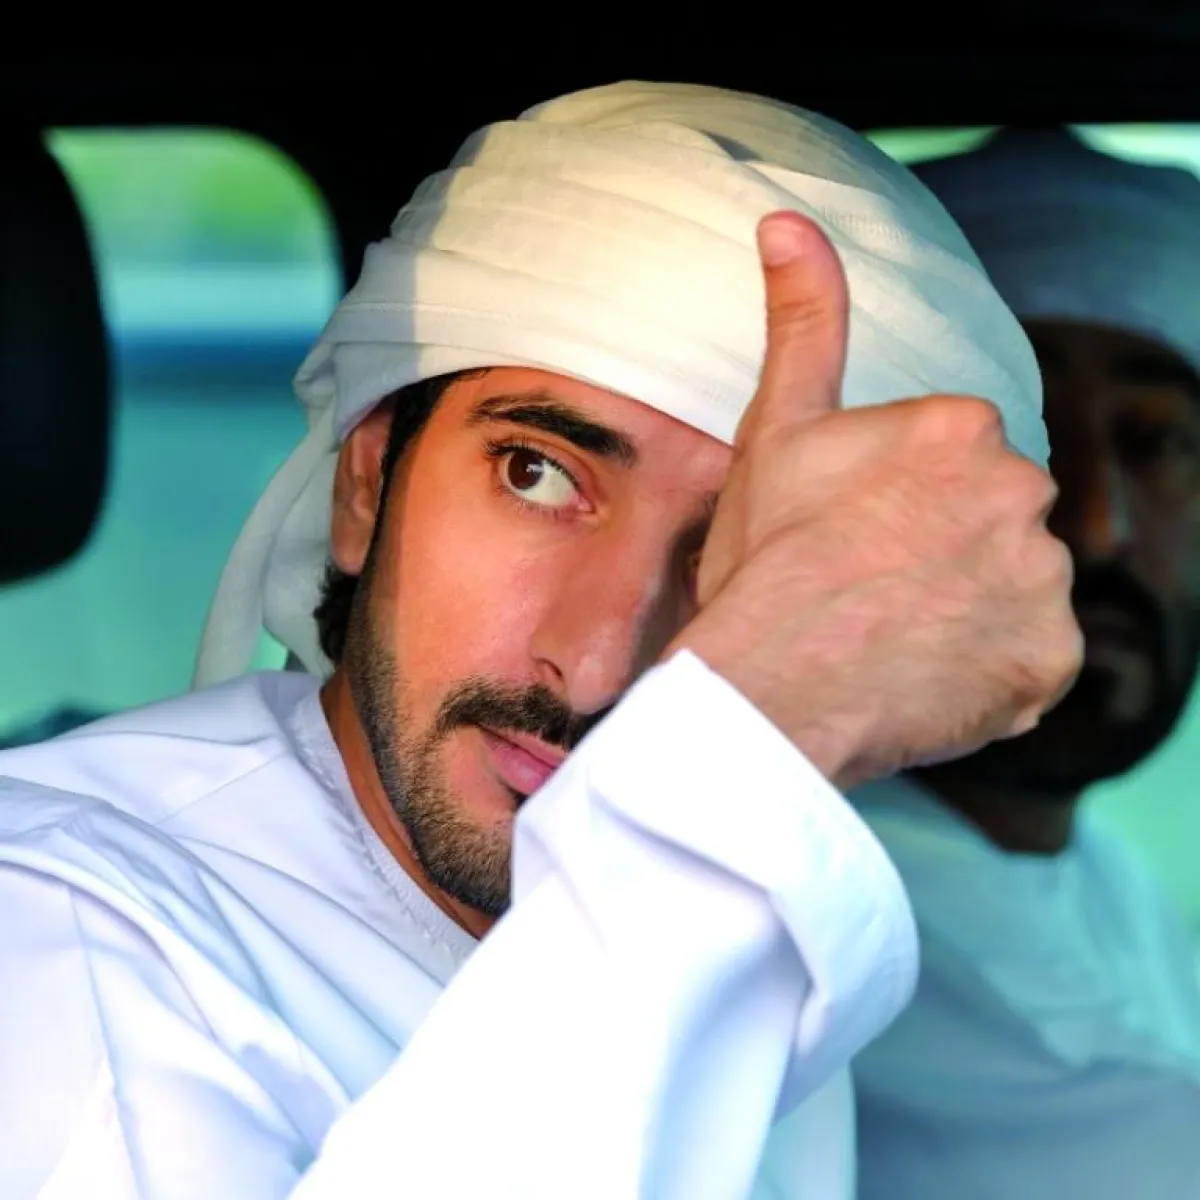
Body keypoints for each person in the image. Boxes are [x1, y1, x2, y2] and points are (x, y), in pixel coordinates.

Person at [0, 84, 1077, 1200]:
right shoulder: (60, 935)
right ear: (367, 483)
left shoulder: (757, 932)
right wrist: (740, 774)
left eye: (737, 554)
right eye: (538, 475)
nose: (601, 669)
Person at [852, 126, 1200, 1200]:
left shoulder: (1112, 893)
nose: (1096, 526)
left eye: (1156, 439)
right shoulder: (789, 919)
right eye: (1020, 431)